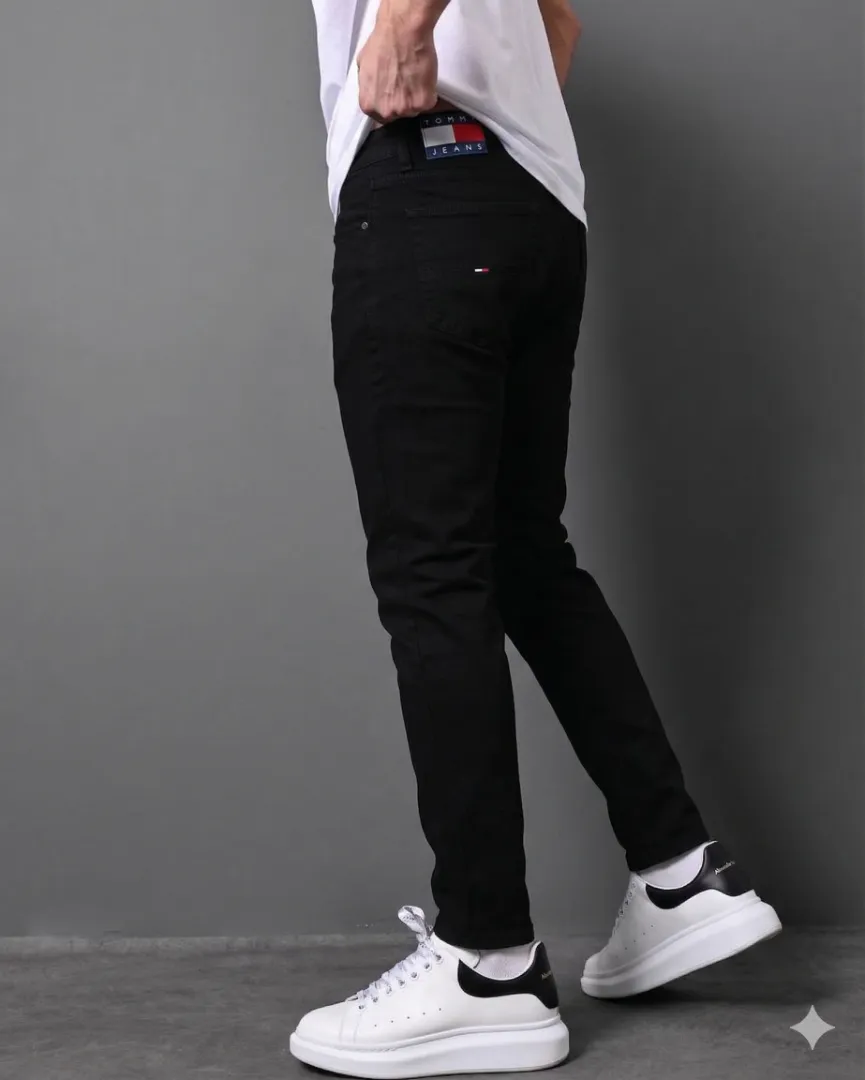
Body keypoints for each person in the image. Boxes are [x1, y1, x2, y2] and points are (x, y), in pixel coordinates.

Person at [291, 1, 781, 1075]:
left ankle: (489, 962)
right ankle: (677, 869)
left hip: (420, 181)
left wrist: (403, 24)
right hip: (530, 202)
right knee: (520, 556)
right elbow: (558, 19)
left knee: (433, 571)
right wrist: (502, 124)